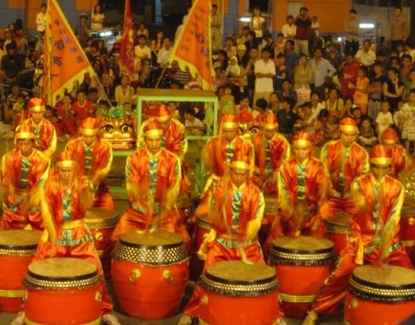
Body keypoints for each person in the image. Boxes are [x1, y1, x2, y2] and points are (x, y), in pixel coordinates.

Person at [302, 145, 414, 325]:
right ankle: (315, 311)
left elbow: (394, 217)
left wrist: (384, 242)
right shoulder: (359, 184)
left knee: (410, 280)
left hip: (389, 244)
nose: (379, 171)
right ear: (370, 165)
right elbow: (359, 214)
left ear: (389, 167)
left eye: (384, 167)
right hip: (362, 243)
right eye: (376, 166)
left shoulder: (397, 187)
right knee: (338, 277)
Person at [9, 151, 117, 325]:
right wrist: (48, 232)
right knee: (35, 267)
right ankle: (25, 309)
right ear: (57, 170)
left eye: (70, 170)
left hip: (78, 233)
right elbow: (41, 209)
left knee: (97, 270)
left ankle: (105, 309)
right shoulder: (50, 185)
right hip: (56, 233)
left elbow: (88, 202)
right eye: (63, 170)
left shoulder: (83, 183)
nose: (66, 174)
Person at [181, 149, 268, 325]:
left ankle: (274, 312)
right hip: (223, 244)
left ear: (248, 174)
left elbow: (255, 221)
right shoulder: (219, 191)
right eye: (236, 173)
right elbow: (214, 216)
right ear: (230, 171)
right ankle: (192, 311)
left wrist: (243, 235)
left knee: (263, 280)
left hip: (246, 245)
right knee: (206, 276)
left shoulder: (256, 194)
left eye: (243, 174)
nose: (239, 178)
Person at [111, 120, 190, 248]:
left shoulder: (172, 159)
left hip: (164, 212)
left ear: (162, 140)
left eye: (157, 140)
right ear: (145, 140)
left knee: (179, 242)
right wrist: (144, 203)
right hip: (138, 212)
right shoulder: (134, 158)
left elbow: (174, 188)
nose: (154, 144)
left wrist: (164, 209)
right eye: (150, 140)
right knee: (117, 239)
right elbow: (132, 186)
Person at [268, 132, 330, 243]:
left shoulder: (319, 166)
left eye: (304, 149)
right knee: (277, 232)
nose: (300, 152)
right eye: (297, 149)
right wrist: (289, 210)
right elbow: (283, 192)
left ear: (310, 148)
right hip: (289, 212)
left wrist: (317, 212)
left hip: (312, 213)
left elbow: (323, 193)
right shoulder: (286, 165)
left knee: (317, 237)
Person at [319, 117, 370, 221]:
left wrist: (353, 191)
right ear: (340, 133)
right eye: (346, 134)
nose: (349, 138)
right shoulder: (329, 148)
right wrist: (331, 191)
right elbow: (323, 172)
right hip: (331, 195)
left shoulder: (361, 152)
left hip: (351, 197)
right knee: (322, 214)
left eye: (352, 135)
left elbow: (363, 176)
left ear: (356, 135)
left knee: (364, 215)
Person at [0, 126, 49, 230]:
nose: (23, 148)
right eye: (20, 144)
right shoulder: (9, 158)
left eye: (26, 144)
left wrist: (30, 199)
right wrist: (15, 196)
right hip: (15, 198)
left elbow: (41, 185)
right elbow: (6, 182)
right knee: (9, 216)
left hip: (34, 199)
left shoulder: (43, 160)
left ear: (33, 143)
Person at [64, 116, 115, 210]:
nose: (88, 139)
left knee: (108, 209)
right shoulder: (72, 145)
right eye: (85, 136)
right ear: (81, 133)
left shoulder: (105, 146)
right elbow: (67, 167)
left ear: (97, 134)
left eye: (91, 136)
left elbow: (105, 169)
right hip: (76, 187)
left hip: (99, 188)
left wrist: (92, 184)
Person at [252, 112, 290, 196]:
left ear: (276, 129)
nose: (269, 134)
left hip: (275, 174)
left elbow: (285, 163)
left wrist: (275, 174)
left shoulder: (282, 142)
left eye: (271, 131)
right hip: (258, 172)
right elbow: (252, 158)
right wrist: (257, 171)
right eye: (267, 131)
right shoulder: (257, 138)